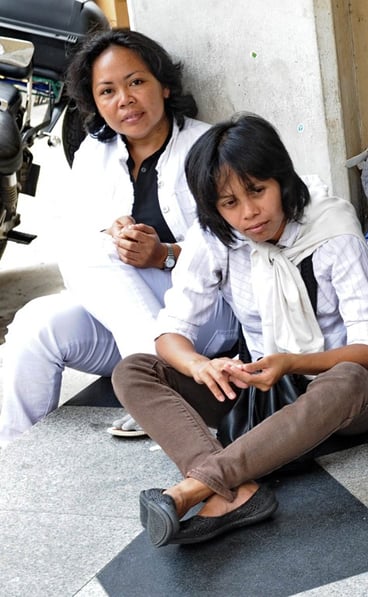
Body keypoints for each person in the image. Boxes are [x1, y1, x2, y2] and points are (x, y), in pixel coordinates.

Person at [111, 113, 368, 547]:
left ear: (281, 179)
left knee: (351, 378)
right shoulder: (215, 238)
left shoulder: (333, 231)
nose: (249, 212)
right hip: (260, 395)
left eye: (257, 191)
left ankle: (196, 486)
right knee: (133, 370)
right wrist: (202, 366)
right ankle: (235, 491)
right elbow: (169, 334)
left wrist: (292, 363)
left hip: (336, 397)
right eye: (229, 203)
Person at [0, 30, 236, 448]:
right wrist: (113, 235)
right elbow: (78, 246)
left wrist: (166, 255)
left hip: (206, 318)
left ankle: (157, 383)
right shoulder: (95, 153)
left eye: (136, 82)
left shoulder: (208, 146)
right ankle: (13, 453)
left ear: (164, 85)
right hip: (132, 326)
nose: (124, 99)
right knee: (35, 323)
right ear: (94, 103)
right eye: (107, 91)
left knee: (97, 254)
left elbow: (238, 243)